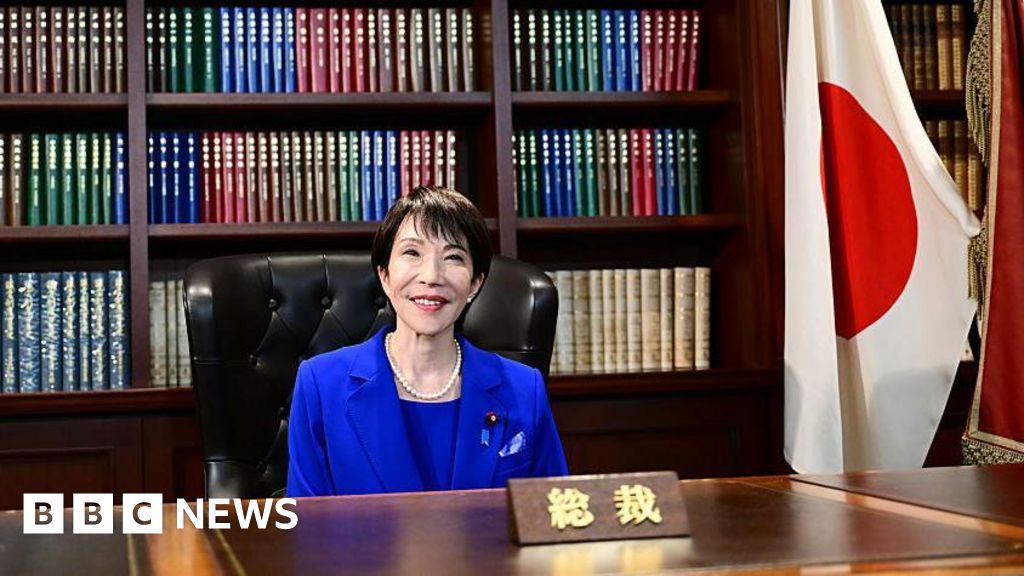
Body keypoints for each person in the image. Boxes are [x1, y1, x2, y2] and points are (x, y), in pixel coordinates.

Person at [287, 186, 569, 496]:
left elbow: (551, 519)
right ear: (384, 275)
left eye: (453, 257)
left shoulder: (523, 387)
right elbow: (308, 529)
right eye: (412, 253)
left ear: (476, 282)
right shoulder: (321, 383)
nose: (432, 276)